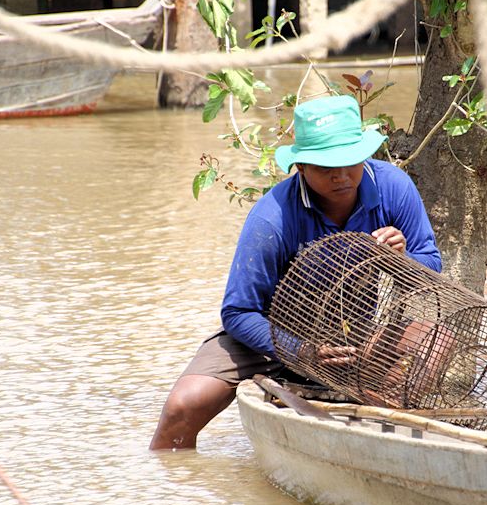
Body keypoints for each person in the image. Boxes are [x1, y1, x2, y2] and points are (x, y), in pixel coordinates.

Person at [149, 94, 442, 450]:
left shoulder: (394, 188)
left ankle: (376, 424)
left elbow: (431, 268)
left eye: (351, 162)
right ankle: (170, 483)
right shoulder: (272, 217)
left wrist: (403, 258)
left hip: (356, 335)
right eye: (325, 168)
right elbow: (238, 312)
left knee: (437, 340)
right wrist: (300, 350)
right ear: (301, 167)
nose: (342, 176)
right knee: (184, 406)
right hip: (273, 336)